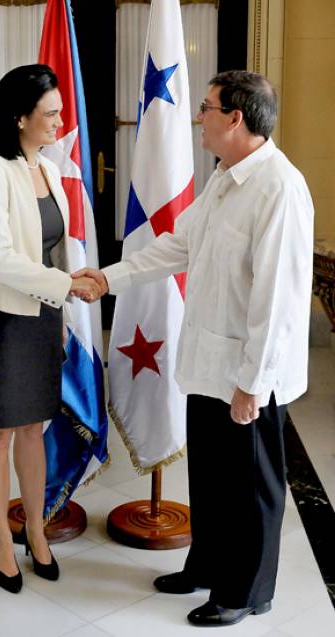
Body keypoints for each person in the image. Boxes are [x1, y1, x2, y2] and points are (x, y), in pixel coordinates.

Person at [71, 70, 314, 626]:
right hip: (207, 364)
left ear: (236, 118)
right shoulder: (226, 176)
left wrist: (253, 382)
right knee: (210, 477)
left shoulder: (279, 187)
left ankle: (247, 591)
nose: (197, 117)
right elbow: (176, 246)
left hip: (247, 375)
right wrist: (109, 278)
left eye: (205, 108)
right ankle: (205, 565)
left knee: (251, 487)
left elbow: (278, 300)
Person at [0, 64, 99, 594]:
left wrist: (63, 305)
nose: (60, 122)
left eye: (60, 112)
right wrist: (66, 285)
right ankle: (1, 537)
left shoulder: (45, 165)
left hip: (41, 313)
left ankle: (35, 530)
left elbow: (53, 246)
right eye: (51, 114)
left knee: (33, 427)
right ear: (19, 117)